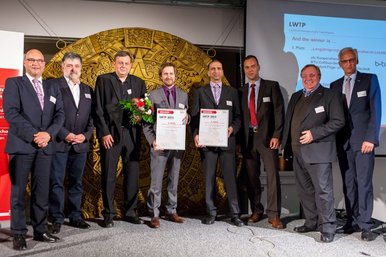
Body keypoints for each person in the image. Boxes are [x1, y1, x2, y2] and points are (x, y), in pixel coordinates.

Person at [3, 49, 65, 250]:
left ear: (44, 65)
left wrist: (48, 134)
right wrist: (35, 135)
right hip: (22, 145)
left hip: (46, 146)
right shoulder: (14, 83)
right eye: (31, 60)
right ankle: (19, 233)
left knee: (42, 191)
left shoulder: (52, 86)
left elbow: (60, 115)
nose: (36, 63)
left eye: (40, 60)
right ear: (24, 62)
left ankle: (40, 230)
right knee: (19, 192)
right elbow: (11, 113)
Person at [281, 64, 345, 243]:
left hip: (319, 151)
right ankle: (311, 222)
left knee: (323, 191)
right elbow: (289, 123)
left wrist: (314, 134)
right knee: (305, 191)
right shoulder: (296, 96)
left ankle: (328, 227)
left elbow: (338, 121)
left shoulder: (330, 95)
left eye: (312, 75)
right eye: (305, 76)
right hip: (297, 150)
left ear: (319, 76)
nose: (308, 78)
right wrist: (285, 145)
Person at [330, 47, 382, 241]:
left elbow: (375, 110)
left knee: (364, 184)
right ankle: (352, 221)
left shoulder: (370, 79)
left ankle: (366, 224)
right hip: (343, 144)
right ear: (340, 63)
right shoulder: (334, 85)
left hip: (363, 143)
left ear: (357, 60)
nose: (348, 64)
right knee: (349, 184)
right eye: (344, 61)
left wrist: (371, 138)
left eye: (351, 60)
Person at [93, 50, 146, 228]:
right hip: (111, 135)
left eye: (126, 63)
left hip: (132, 135)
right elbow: (98, 109)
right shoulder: (104, 80)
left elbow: (144, 108)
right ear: (114, 64)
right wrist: (104, 132)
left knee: (132, 175)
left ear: (130, 65)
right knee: (109, 174)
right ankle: (108, 214)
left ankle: (131, 212)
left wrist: (141, 115)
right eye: (120, 63)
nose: (123, 66)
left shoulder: (139, 83)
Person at [190, 59, 244, 227]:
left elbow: (239, 117)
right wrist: (196, 135)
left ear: (222, 72)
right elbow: (194, 118)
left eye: (219, 68)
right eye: (212, 69)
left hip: (227, 142)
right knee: (209, 178)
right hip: (207, 143)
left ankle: (235, 213)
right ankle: (211, 212)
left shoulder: (233, 92)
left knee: (230, 178)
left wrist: (232, 129)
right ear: (208, 72)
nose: (215, 71)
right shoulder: (200, 92)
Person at [48, 52, 93, 234]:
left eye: (76, 66)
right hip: (59, 143)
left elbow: (92, 117)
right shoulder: (53, 86)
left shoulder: (88, 90)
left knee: (76, 182)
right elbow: (49, 115)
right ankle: (57, 217)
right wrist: (65, 134)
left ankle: (75, 216)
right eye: (69, 65)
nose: (73, 69)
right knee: (57, 182)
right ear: (63, 67)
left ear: (81, 69)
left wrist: (86, 135)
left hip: (80, 144)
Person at [239, 55, 285, 228]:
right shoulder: (241, 91)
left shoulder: (271, 86)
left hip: (268, 139)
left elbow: (279, 112)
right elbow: (239, 118)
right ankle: (257, 210)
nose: (250, 70)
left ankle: (274, 215)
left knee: (273, 176)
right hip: (248, 140)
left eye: (253, 66)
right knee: (252, 178)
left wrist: (277, 135)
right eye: (247, 67)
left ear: (259, 67)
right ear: (244, 70)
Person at [143, 62, 188, 228]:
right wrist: (152, 141)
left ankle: (171, 210)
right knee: (156, 182)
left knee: (173, 179)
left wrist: (187, 118)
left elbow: (184, 117)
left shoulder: (184, 96)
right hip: (159, 146)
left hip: (176, 145)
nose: (169, 76)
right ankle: (154, 214)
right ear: (161, 76)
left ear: (176, 76)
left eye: (171, 74)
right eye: (166, 74)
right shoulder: (153, 95)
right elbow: (146, 123)